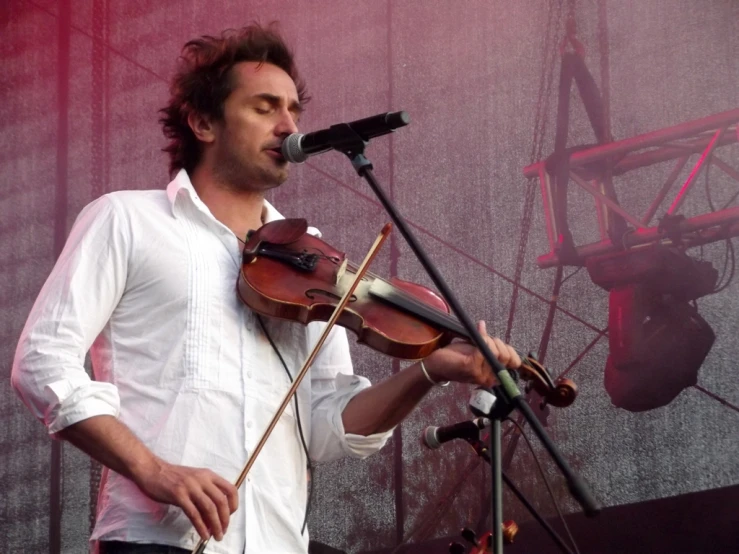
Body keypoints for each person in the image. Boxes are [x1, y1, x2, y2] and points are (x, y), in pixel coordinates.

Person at [11, 23, 521, 554]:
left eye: (294, 111)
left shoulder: (316, 261)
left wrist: (429, 371)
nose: (287, 125)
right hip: (157, 540)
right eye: (264, 107)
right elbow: (43, 361)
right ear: (203, 122)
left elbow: (327, 428)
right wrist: (154, 471)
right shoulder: (126, 219)